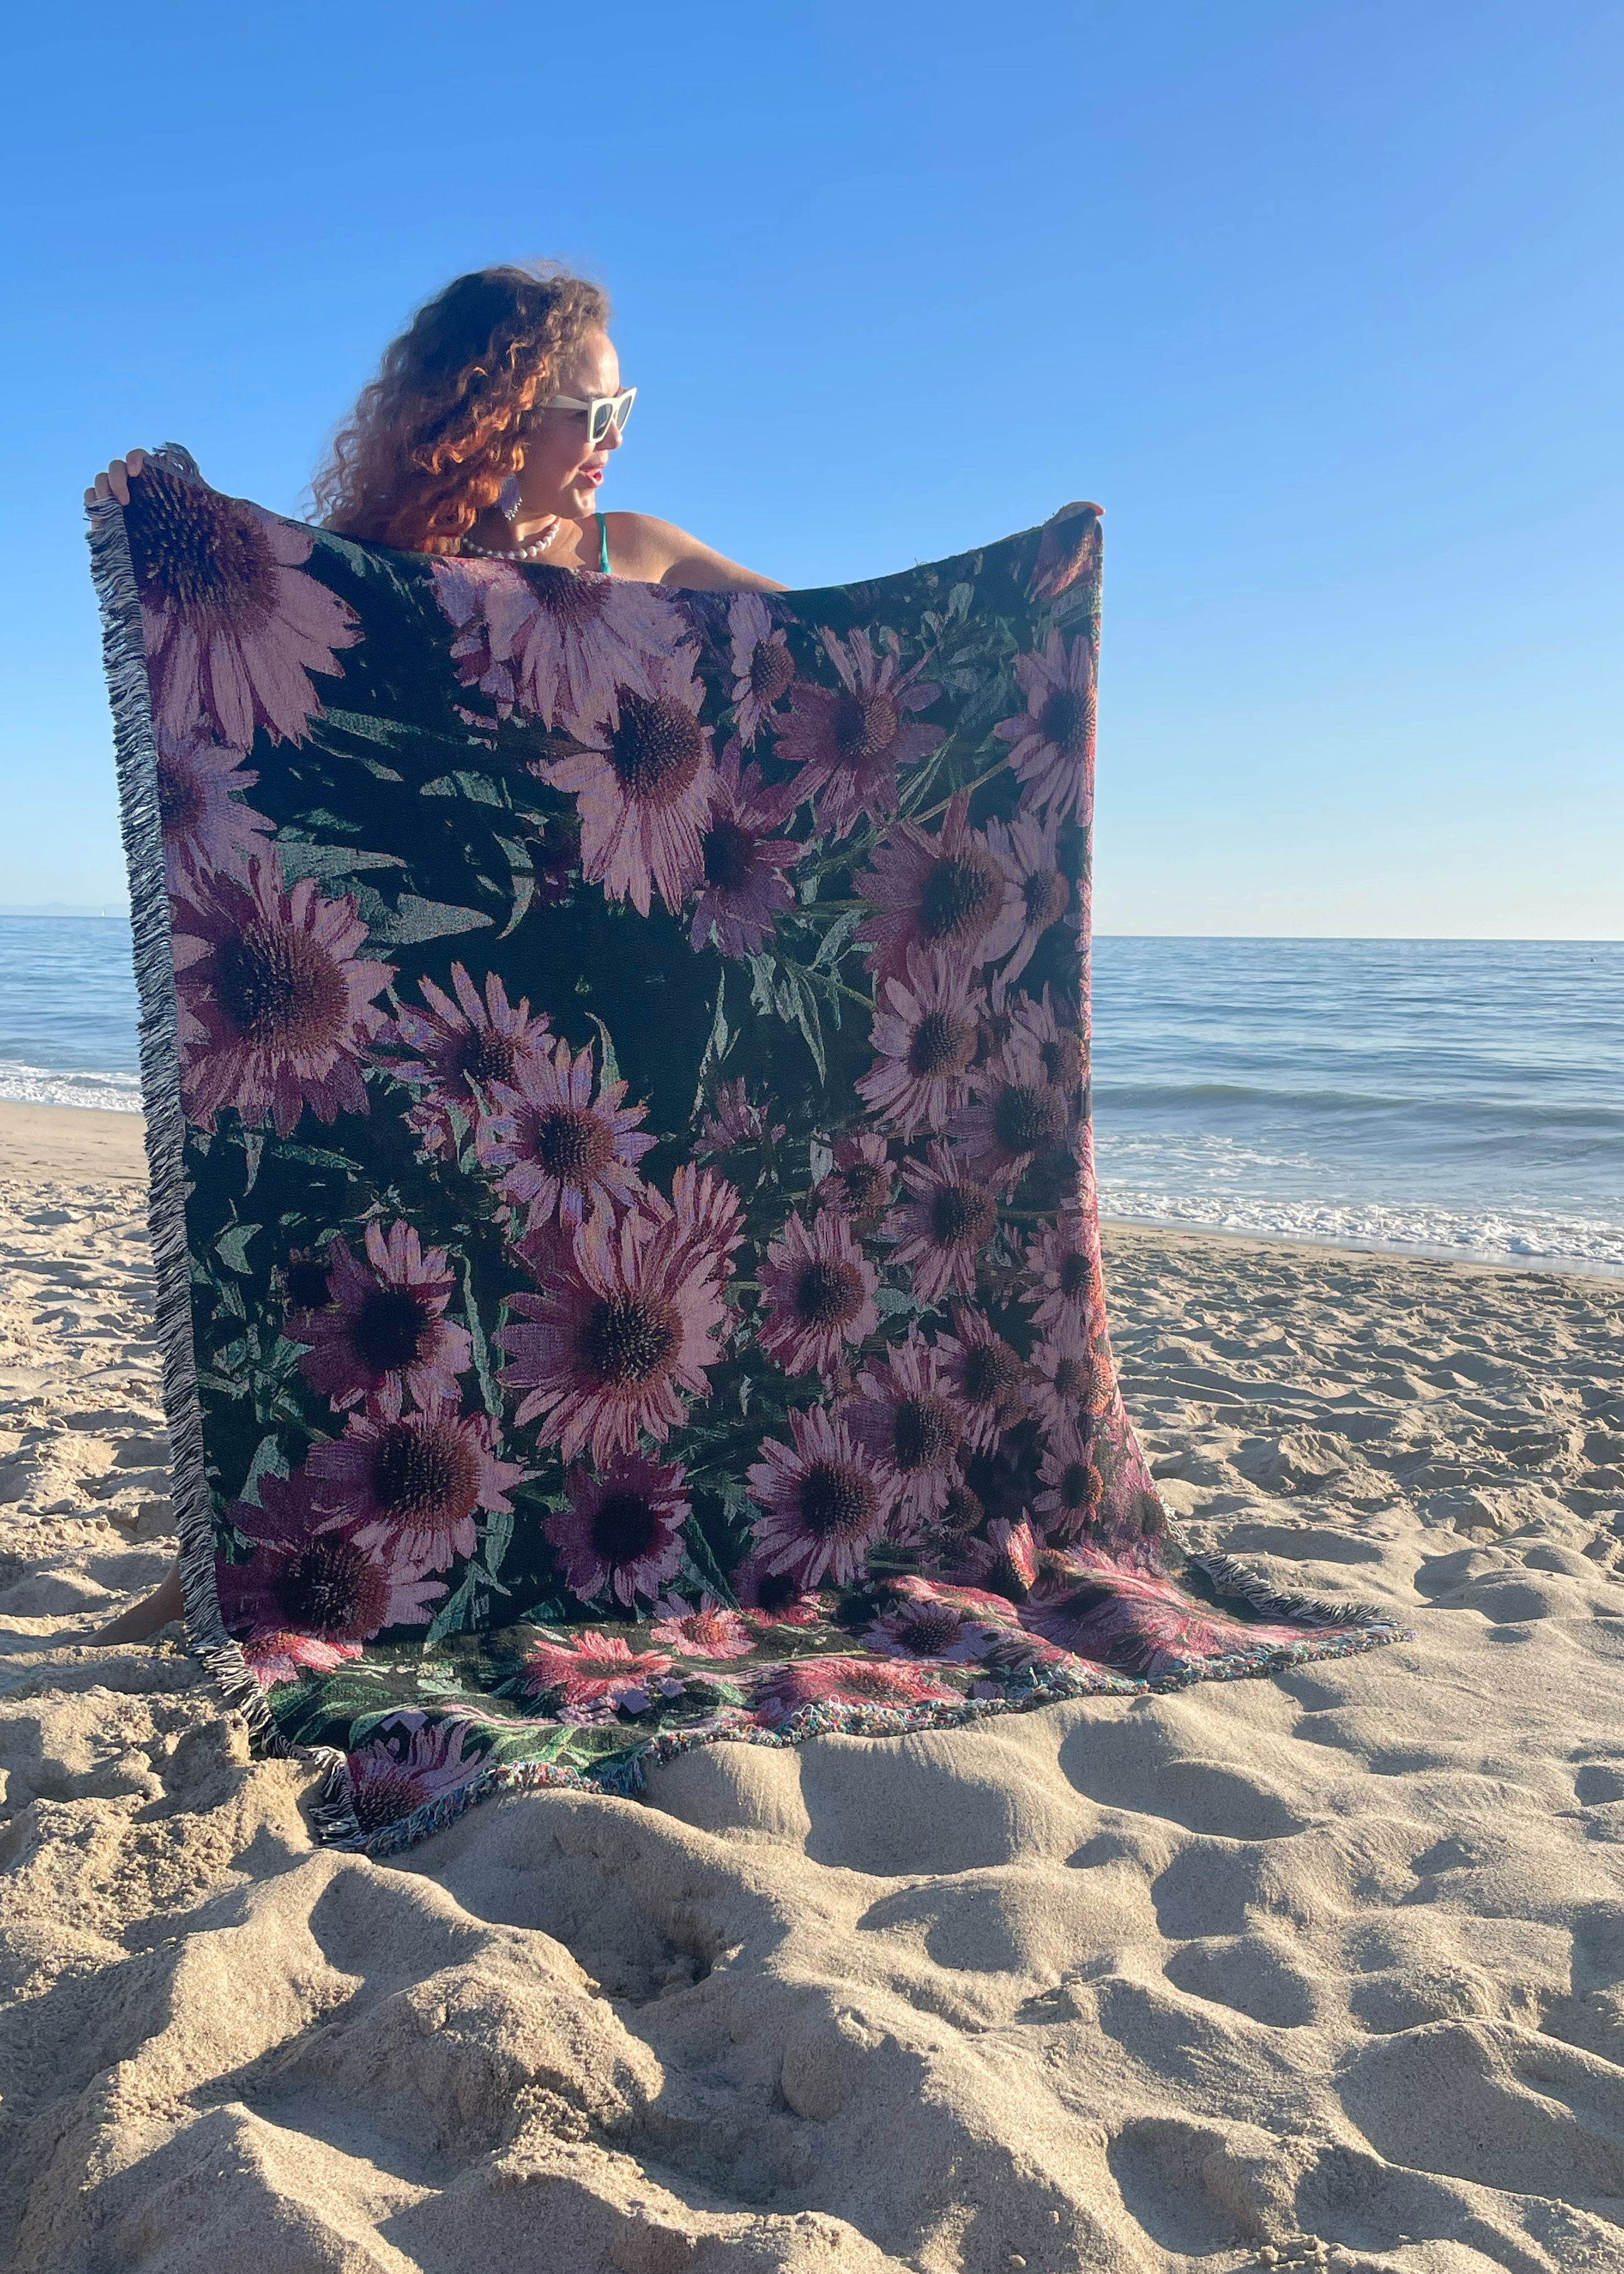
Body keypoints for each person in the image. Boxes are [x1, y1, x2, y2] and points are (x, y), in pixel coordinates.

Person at [87, 263, 783, 1645]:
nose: (615, 434)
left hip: (616, 996)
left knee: (598, 1298)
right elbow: (290, 731)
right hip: (436, 997)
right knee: (371, 1285)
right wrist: (164, 524)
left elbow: (818, 640)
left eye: (624, 403)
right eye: (591, 405)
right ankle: (221, 1570)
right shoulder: (395, 573)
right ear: (497, 407)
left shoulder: (635, 552)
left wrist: (1027, 582)